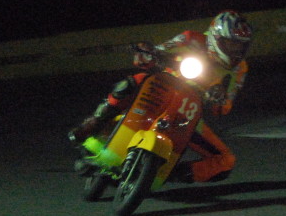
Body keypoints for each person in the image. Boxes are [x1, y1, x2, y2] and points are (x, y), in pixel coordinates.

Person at [67, 10, 253, 184]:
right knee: (135, 80)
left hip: (189, 111)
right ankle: (94, 122)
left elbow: (225, 105)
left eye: (241, 46)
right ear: (215, 37)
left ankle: (168, 173)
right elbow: (160, 50)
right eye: (231, 43)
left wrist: (219, 98)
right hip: (162, 87)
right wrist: (147, 53)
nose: (236, 50)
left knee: (226, 160)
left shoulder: (240, 68)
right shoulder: (190, 38)